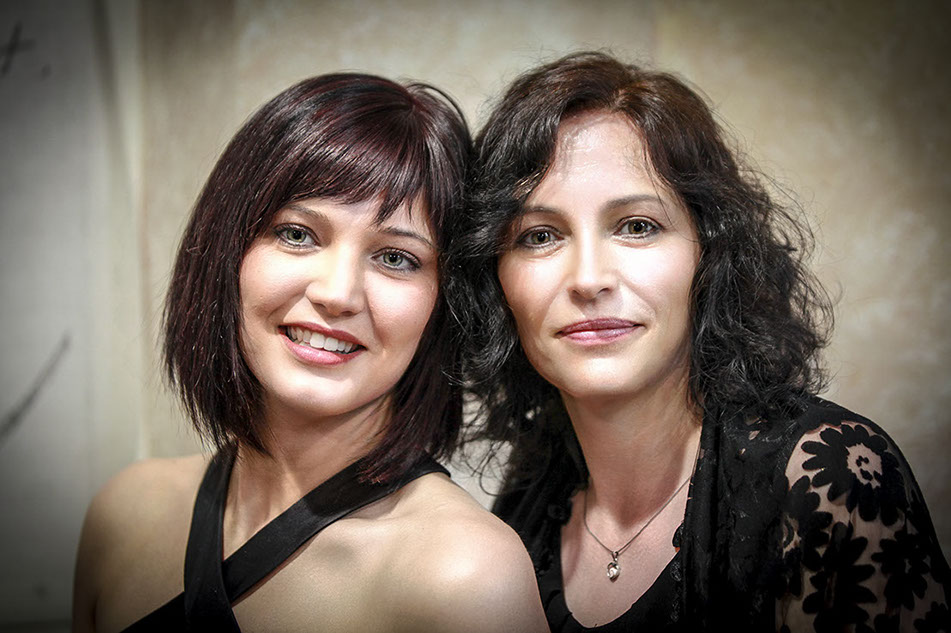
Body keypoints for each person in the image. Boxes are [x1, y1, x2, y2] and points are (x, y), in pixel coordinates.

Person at [451, 51, 950, 631]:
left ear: (709, 255)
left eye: (637, 226)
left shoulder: (828, 475)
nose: (588, 279)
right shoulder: (534, 489)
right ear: (495, 279)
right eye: (540, 235)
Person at [72, 73, 547, 633]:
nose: (337, 294)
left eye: (396, 258)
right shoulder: (123, 512)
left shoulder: (467, 577)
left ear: (442, 306)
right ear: (227, 252)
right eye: (298, 234)